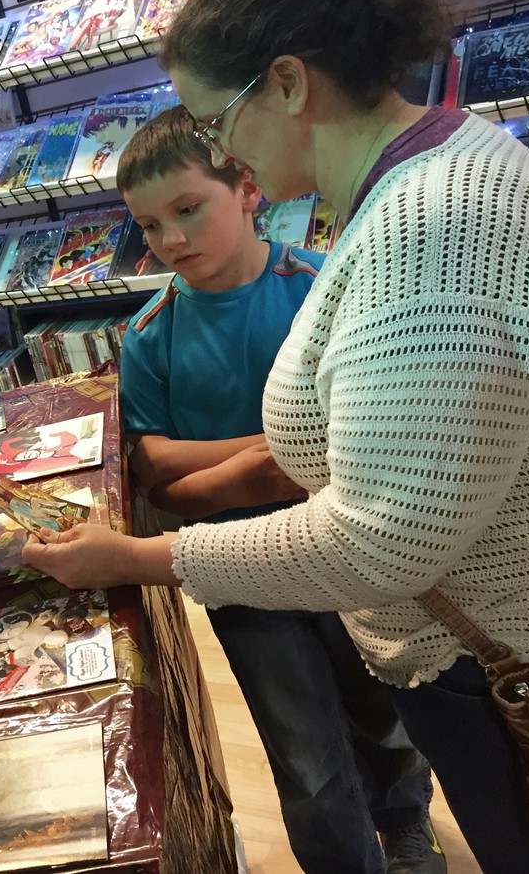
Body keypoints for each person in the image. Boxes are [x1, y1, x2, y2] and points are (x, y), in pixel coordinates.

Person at [22, 0, 529, 870]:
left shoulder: (430, 228)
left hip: (498, 658)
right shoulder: (437, 172)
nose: (223, 148)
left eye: (216, 120)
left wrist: (139, 558)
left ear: (289, 84)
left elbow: (378, 541)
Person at [112, 106, 441, 873]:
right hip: (235, 572)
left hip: (347, 550)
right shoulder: (149, 334)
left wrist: (215, 472)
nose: (170, 240)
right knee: (301, 748)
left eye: (188, 209)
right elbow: (153, 467)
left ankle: (407, 823)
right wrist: (266, 457)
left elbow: (370, 428)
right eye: (150, 225)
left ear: (248, 188)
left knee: (381, 704)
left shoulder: (325, 287)